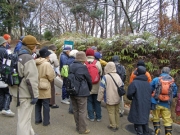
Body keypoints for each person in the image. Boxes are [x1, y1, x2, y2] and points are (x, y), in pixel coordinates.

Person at [8, 35, 40, 135]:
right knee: (23, 121)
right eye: (35, 45)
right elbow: (32, 80)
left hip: (16, 92)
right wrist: (35, 95)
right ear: (31, 46)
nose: (36, 48)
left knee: (25, 118)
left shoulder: (17, 54)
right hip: (25, 94)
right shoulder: (28, 58)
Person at [69, 51, 92, 134]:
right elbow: (89, 79)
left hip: (72, 90)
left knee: (75, 110)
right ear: (83, 59)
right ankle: (82, 129)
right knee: (82, 111)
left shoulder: (71, 65)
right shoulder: (83, 67)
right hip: (81, 92)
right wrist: (90, 88)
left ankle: (77, 126)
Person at [150, 67, 177, 135]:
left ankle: (157, 130)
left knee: (155, 116)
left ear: (161, 71)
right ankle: (168, 132)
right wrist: (167, 97)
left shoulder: (156, 79)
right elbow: (174, 93)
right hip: (166, 104)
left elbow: (150, 88)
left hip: (156, 102)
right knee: (167, 118)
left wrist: (153, 95)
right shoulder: (172, 82)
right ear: (169, 72)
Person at [97, 62, 123, 132]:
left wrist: (99, 99)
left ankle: (113, 126)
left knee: (111, 112)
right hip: (118, 97)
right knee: (116, 112)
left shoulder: (105, 77)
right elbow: (121, 85)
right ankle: (117, 125)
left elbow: (101, 89)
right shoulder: (118, 76)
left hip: (109, 97)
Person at [127, 66, 152, 135]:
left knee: (138, 120)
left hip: (137, 103)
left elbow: (129, 94)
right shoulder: (148, 83)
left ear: (137, 73)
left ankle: (140, 133)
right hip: (146, 104)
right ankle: (146, 132)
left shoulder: (134, 83)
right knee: (144, 120)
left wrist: (132, 98)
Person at [35, 48, 55, 126]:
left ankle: (37, 119)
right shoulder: (46, 64)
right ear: (46, 55)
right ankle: (46, 121)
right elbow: (50, 76)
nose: (49, 56)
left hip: (36, 84)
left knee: (37, 103)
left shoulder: (35, 62)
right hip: (45, 85)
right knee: (46, 104)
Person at [86, 48, 102, 122]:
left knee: (89, 101)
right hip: (96, 84)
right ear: (93, 54)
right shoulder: (97, 62)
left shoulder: (84, 62)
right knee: (97, 101)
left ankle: (91, 116)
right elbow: (100, 73)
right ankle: (98, 117)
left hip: (87, 85)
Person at [0, 36, 15, 117]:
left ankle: (1, 107)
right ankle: (6, 108)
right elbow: (10, 61)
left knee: (1, 92)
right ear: (3, 43)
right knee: (7, 92)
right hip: (4, 73)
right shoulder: (5, 51)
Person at [66, 49, 79, 114]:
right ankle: (73, 109)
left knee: (71, 95)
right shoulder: (74, 61)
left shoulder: (67, 60)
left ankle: (71, 109)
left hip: (68, 78)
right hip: (74, 79)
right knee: (74, 95)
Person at [48, 44, 60, 109]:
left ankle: (47, 101)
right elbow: (57, 64)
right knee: (52, 88)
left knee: (47, 87)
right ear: (54, 50)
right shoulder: (53, 55)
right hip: (50, 71)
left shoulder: (45, 53)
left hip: (44, 72)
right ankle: (52, 103)